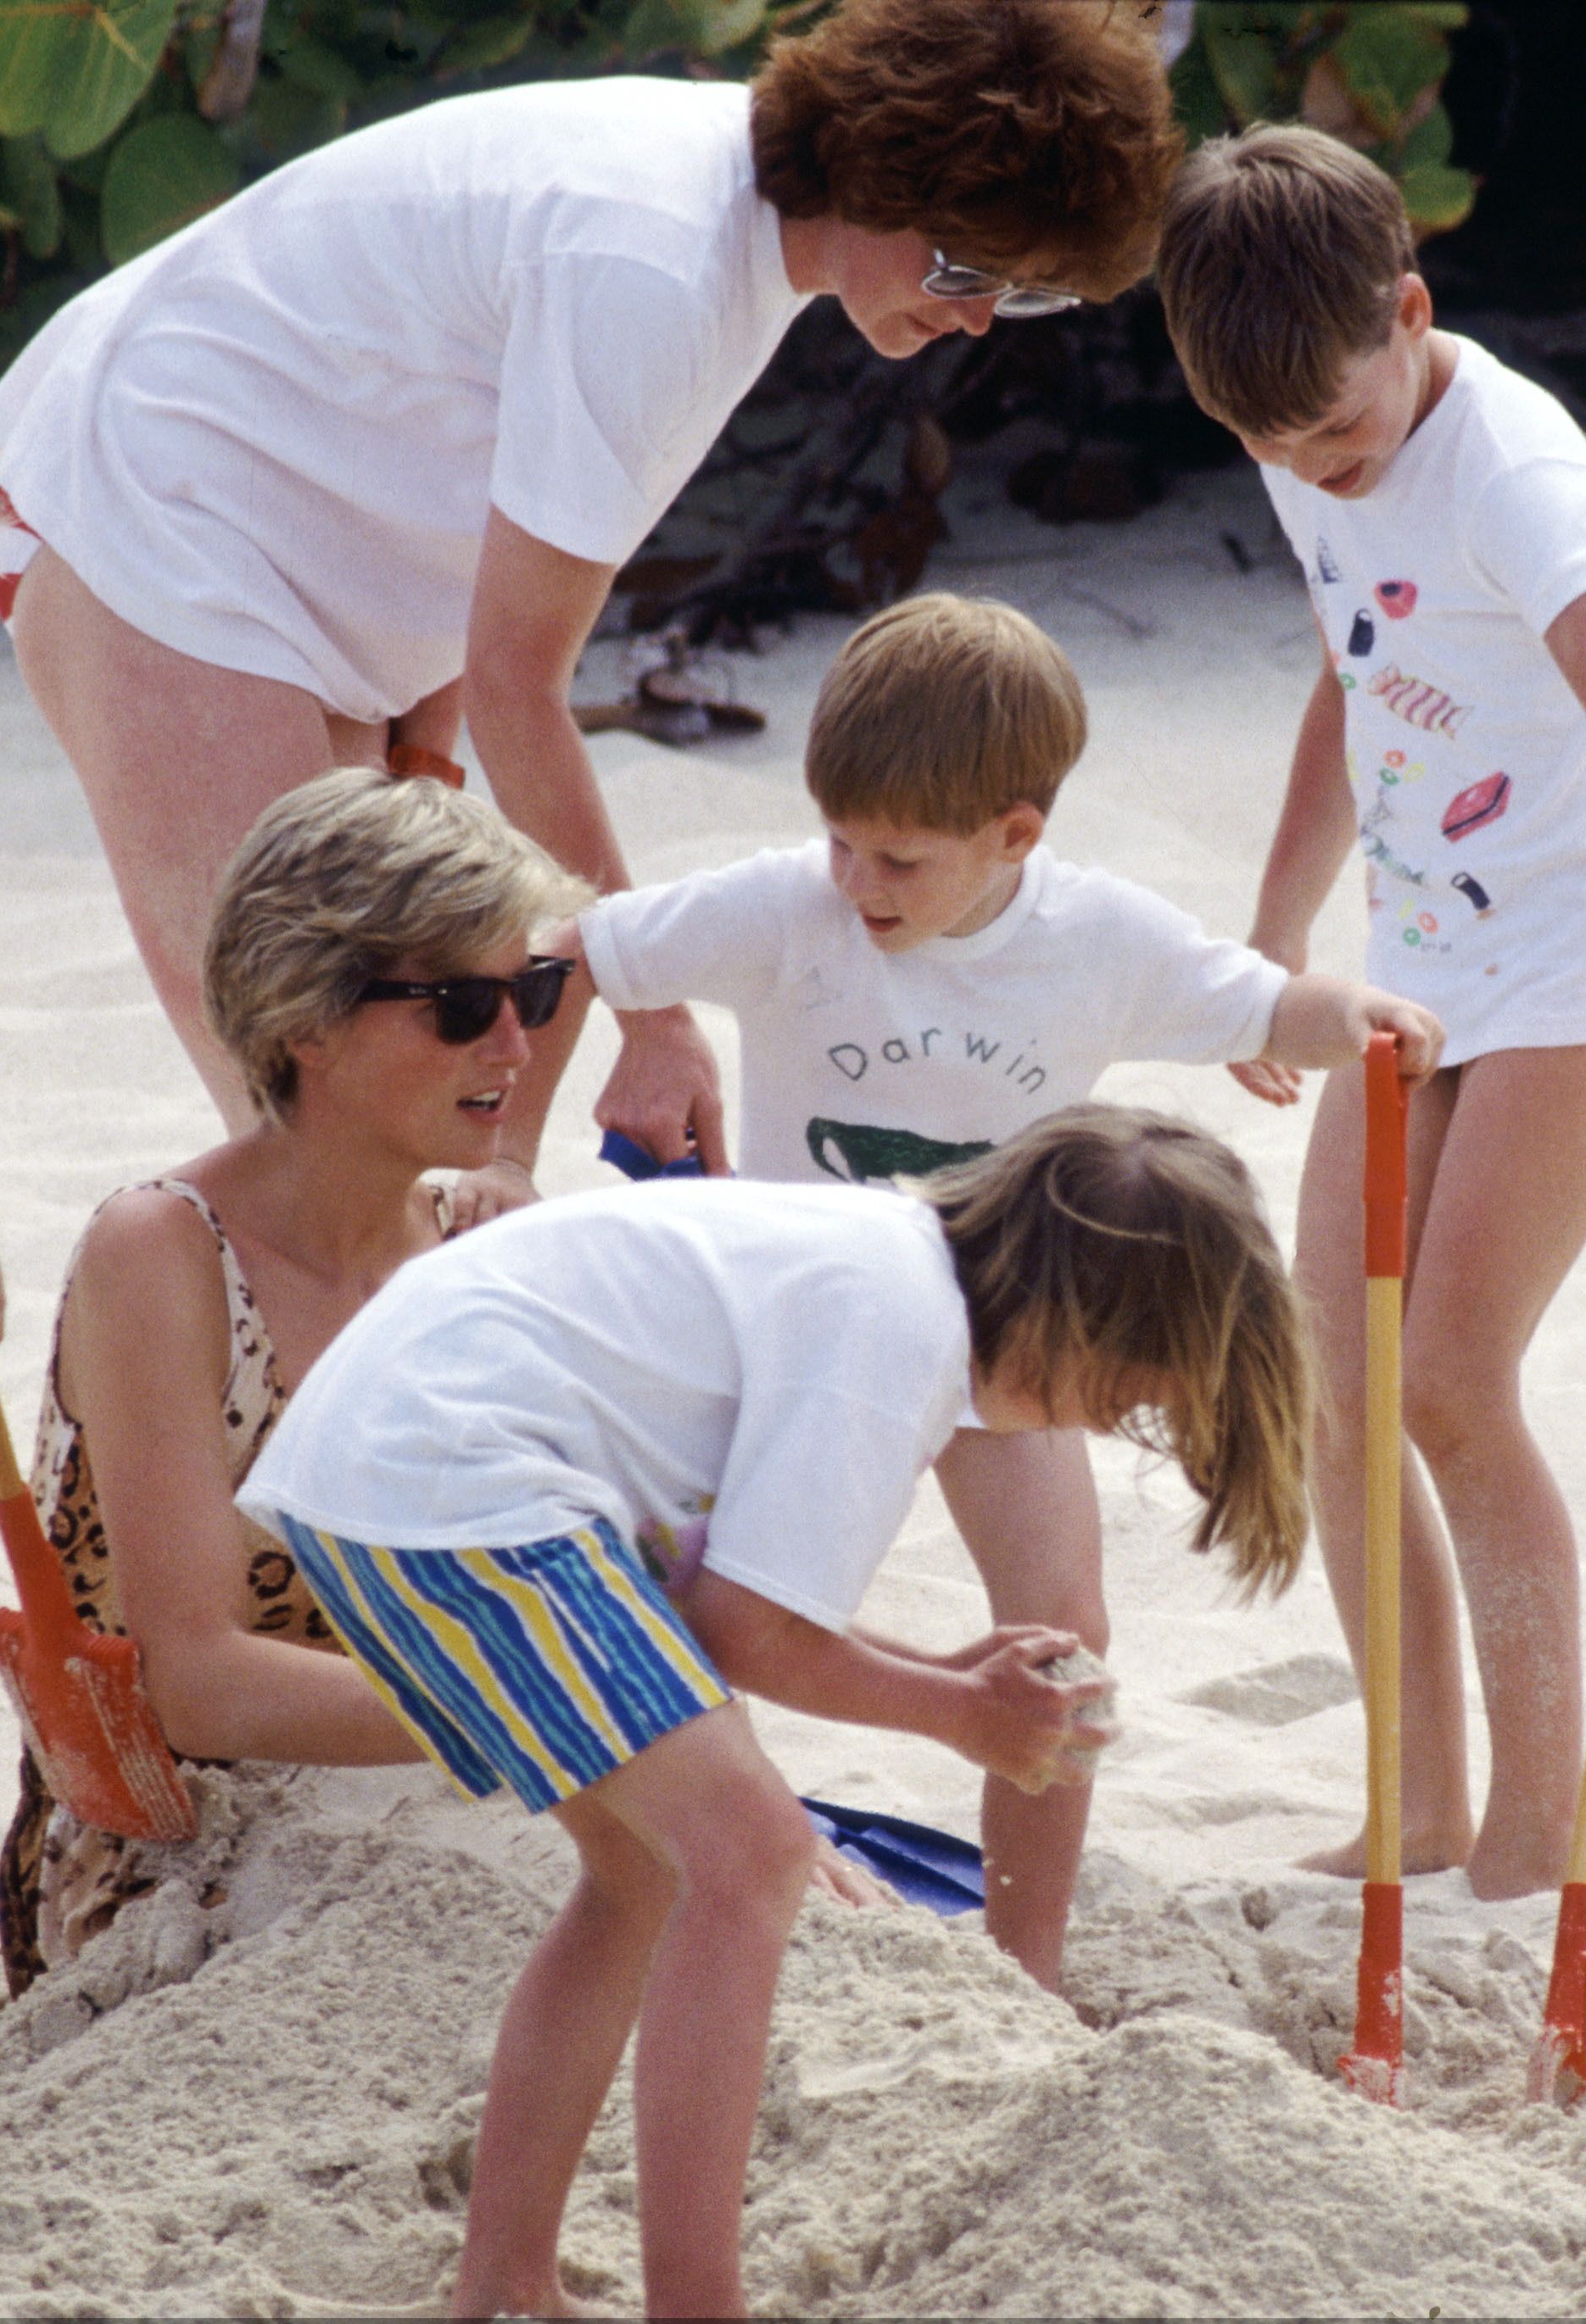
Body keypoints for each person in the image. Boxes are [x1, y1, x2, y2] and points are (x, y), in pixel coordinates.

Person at [0, 0, 1185, 1168]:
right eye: (972, 269)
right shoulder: (659, 264)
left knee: (415, 1124)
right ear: (885, 171)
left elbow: (456, 491)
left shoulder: (734, 240)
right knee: (322, 1133)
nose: (978, 321)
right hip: (147, 504)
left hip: (293, 555)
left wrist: (421, 760)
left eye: (1023, 293)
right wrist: (652, 1019)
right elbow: (521, 683)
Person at [234, 1106, 1310, 2318]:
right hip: (456, 1484)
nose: (1088, 1424)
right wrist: (959, 1713)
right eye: (1119, 1393)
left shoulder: (873, 1261)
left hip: (394, 1470)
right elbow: (748, 1632)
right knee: (749, 1851)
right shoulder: (896, 1325)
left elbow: (715, 1597)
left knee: (643, 1876)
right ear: (1078, 1320)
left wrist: (944, 1677)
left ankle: (503, 2284)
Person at [558, 590, 1439, 1987]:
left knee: (1062, 1625)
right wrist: (512, 1133)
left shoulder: (1093, 938)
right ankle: (692, 1861)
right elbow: (570, 948)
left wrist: (1358, 1019)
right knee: (704, 1595)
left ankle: (1024, 1964)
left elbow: (1267, 1005)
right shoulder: (791, 906)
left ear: (1016, 834)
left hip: (1002, 1347)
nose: (856, 880)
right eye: (837, 838)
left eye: (898, 856)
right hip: (792, 1350)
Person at [1153, 125, 1586, 1901]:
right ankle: (1410, 1799)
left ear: (1409, 317)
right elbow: (1357, 675)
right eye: (1267, 453)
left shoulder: (1518, 481)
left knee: (1453, 1382)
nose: (1311, 480)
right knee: (1332, 1374)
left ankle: (1534, 1838)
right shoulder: (1304, 440)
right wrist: (1277, 930)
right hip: (1415, 960)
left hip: (1571, 968)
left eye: (1333, 439)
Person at [0, 766, 587, 1990]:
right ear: (305, 1019)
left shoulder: (477, 1254)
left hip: (436, 1774)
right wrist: (547, 1713)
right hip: (179, 1846)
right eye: (464, 1005)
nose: (519, 1045)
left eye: (529, 988)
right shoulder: (162, 1250)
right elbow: (194, 1681)